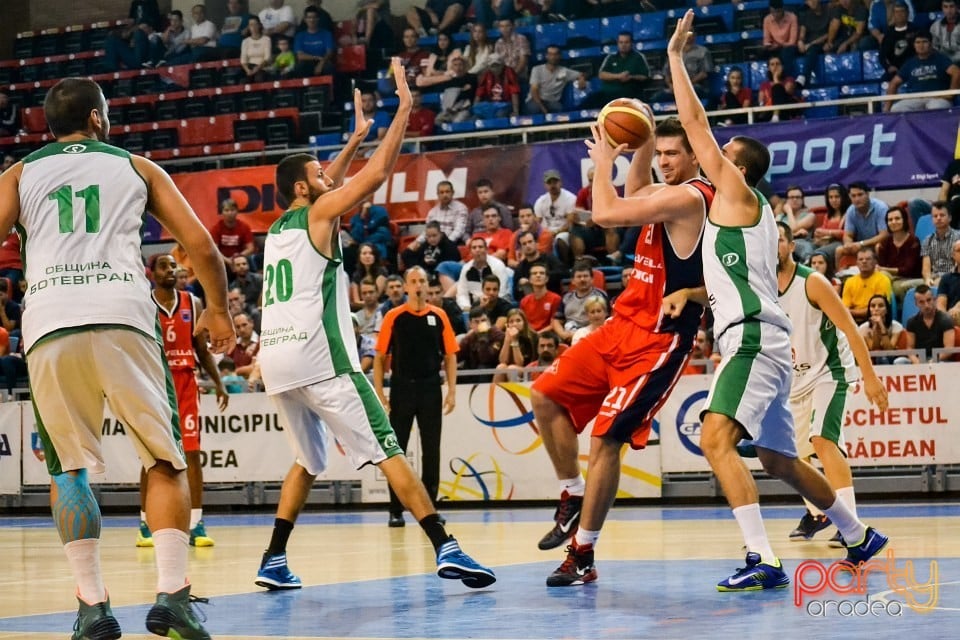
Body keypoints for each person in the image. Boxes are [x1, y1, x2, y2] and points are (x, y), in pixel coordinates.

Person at [0, 76, 234, 639]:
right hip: (124, 316)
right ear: (100, 119)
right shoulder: (136, 166)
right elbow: (201, 246)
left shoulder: (19, 172)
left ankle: (92, 605)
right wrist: (219, 310)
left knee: (70, 468)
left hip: (50, 321)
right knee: (163, 460)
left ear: (48, 126)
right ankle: (173, 597)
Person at [668, 10, 888, 591]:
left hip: (750, 338)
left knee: (715, 441)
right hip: (761, 339)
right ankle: (859, 534)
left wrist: (673, 60)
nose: (710, 156)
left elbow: (693, 123)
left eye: (723, 152)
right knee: (780, 461)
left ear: (737, 169)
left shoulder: (737, 193)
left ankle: (762, 559)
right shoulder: (742, 213)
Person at [253, 64, 494, 592]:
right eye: (319, 176)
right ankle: (445, 546)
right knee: (390, 450)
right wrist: (403, 110)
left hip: (277, 360)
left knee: (306, 459)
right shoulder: (320, 218)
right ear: (302, 186)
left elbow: (328, 185)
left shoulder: (276, 231)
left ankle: (272, 558)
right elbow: (374, 177)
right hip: (322, 359)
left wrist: (356, 137)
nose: (329, 179)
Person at [532, 114, 715, 586]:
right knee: (544, 395)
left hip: (658, 339)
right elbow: (636, 190)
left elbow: (607, 214)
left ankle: (584, 554)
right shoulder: (661, 193)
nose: (666, 161)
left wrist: (602, 163)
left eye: (675, 153)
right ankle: (571, 493)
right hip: (619, 325)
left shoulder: (694, 197)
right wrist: (644, 139)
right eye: (663, 154)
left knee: (606, 439)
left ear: (695, 156)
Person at [777, 222, 889, 546]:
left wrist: (870, 377)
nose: (773, 247)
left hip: (830, 371)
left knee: (823, 441)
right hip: (793, 382)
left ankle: (851, 528)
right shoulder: (761, 288)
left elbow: (852, 330)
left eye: (780, 241)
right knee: (790, 460)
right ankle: (821, 513)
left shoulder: (812, 282)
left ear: (791, 246)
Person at [137, 254, 229, 549]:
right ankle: (145, 524)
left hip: (186, 383)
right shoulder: (143, 303)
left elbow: (201, 349)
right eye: (164, 266)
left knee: (192, 452)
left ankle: (196, 523)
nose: (171, 270)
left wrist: (218, 382)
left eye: (173, 266)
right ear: (152, 273)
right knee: (151, 455)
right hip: (154, 383)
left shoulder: (193, 303)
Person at [374, 266, 459, 527]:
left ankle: (430, 509)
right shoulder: (394, 316)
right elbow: (379, 357)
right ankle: (395, 509)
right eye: (414, 281)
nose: (419, 285)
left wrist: (452, 390)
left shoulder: (439, 315)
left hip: (431, 388)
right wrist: (379, 391)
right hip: (402, 387)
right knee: (396, 449)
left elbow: (450, 355)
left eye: (422, 280)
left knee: (432, 449)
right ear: (406, 287)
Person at [884, 30, 960, 112]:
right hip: (916, 99)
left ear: (930, 44)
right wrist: (887, 108)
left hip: (938, 98)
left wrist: (951, 93)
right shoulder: (910, 63)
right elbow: (894, 83)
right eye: (918, 42)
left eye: (924, 42)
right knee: (896, 109)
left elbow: (956, 72)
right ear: (914, 45)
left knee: (935, 107)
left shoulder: (940, 59)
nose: (921, 45)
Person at [904, 283, 956, 362]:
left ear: (934, 300)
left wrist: (933, 361)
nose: (926, 305)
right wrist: (916, 361)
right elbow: (910, 348)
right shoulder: (911, 322)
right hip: (920, 359)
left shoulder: (946, 320)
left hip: (940, 360)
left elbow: (949, 349)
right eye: (921, 302)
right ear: (916, 304)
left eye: (929, 300)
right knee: (900, 362)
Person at [859, 294, 908, 363]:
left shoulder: (896, 326)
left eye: (881, 306)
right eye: (873, 306)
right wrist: (875, 328)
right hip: (872, 361)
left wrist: (882, 326)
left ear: (886, 310)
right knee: (880, 357)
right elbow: (874, 350)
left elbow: (889, 350)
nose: (876, 309)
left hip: (892, 359)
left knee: (883, 358)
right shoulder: (863, 328)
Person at [494, 308, 538, 381]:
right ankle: (494, 392)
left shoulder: (533, 336)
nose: (515, 324)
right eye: (511, 322)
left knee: (512, 369)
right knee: (501, 367)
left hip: (529, 369)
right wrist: (507, 339)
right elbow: (503, 361)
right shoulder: (503, 336)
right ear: (507, 325)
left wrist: (514, 340)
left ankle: (514, 392)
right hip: (510, 368)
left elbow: (520, 363)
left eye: (518, 321)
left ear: (524, 322)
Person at [937, 239, 960, 324]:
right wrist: (946, 319)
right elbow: (940, 304)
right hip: (950, 317)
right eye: (959, 250)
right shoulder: (946, 278)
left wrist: (957, 307)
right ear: (953, 255)